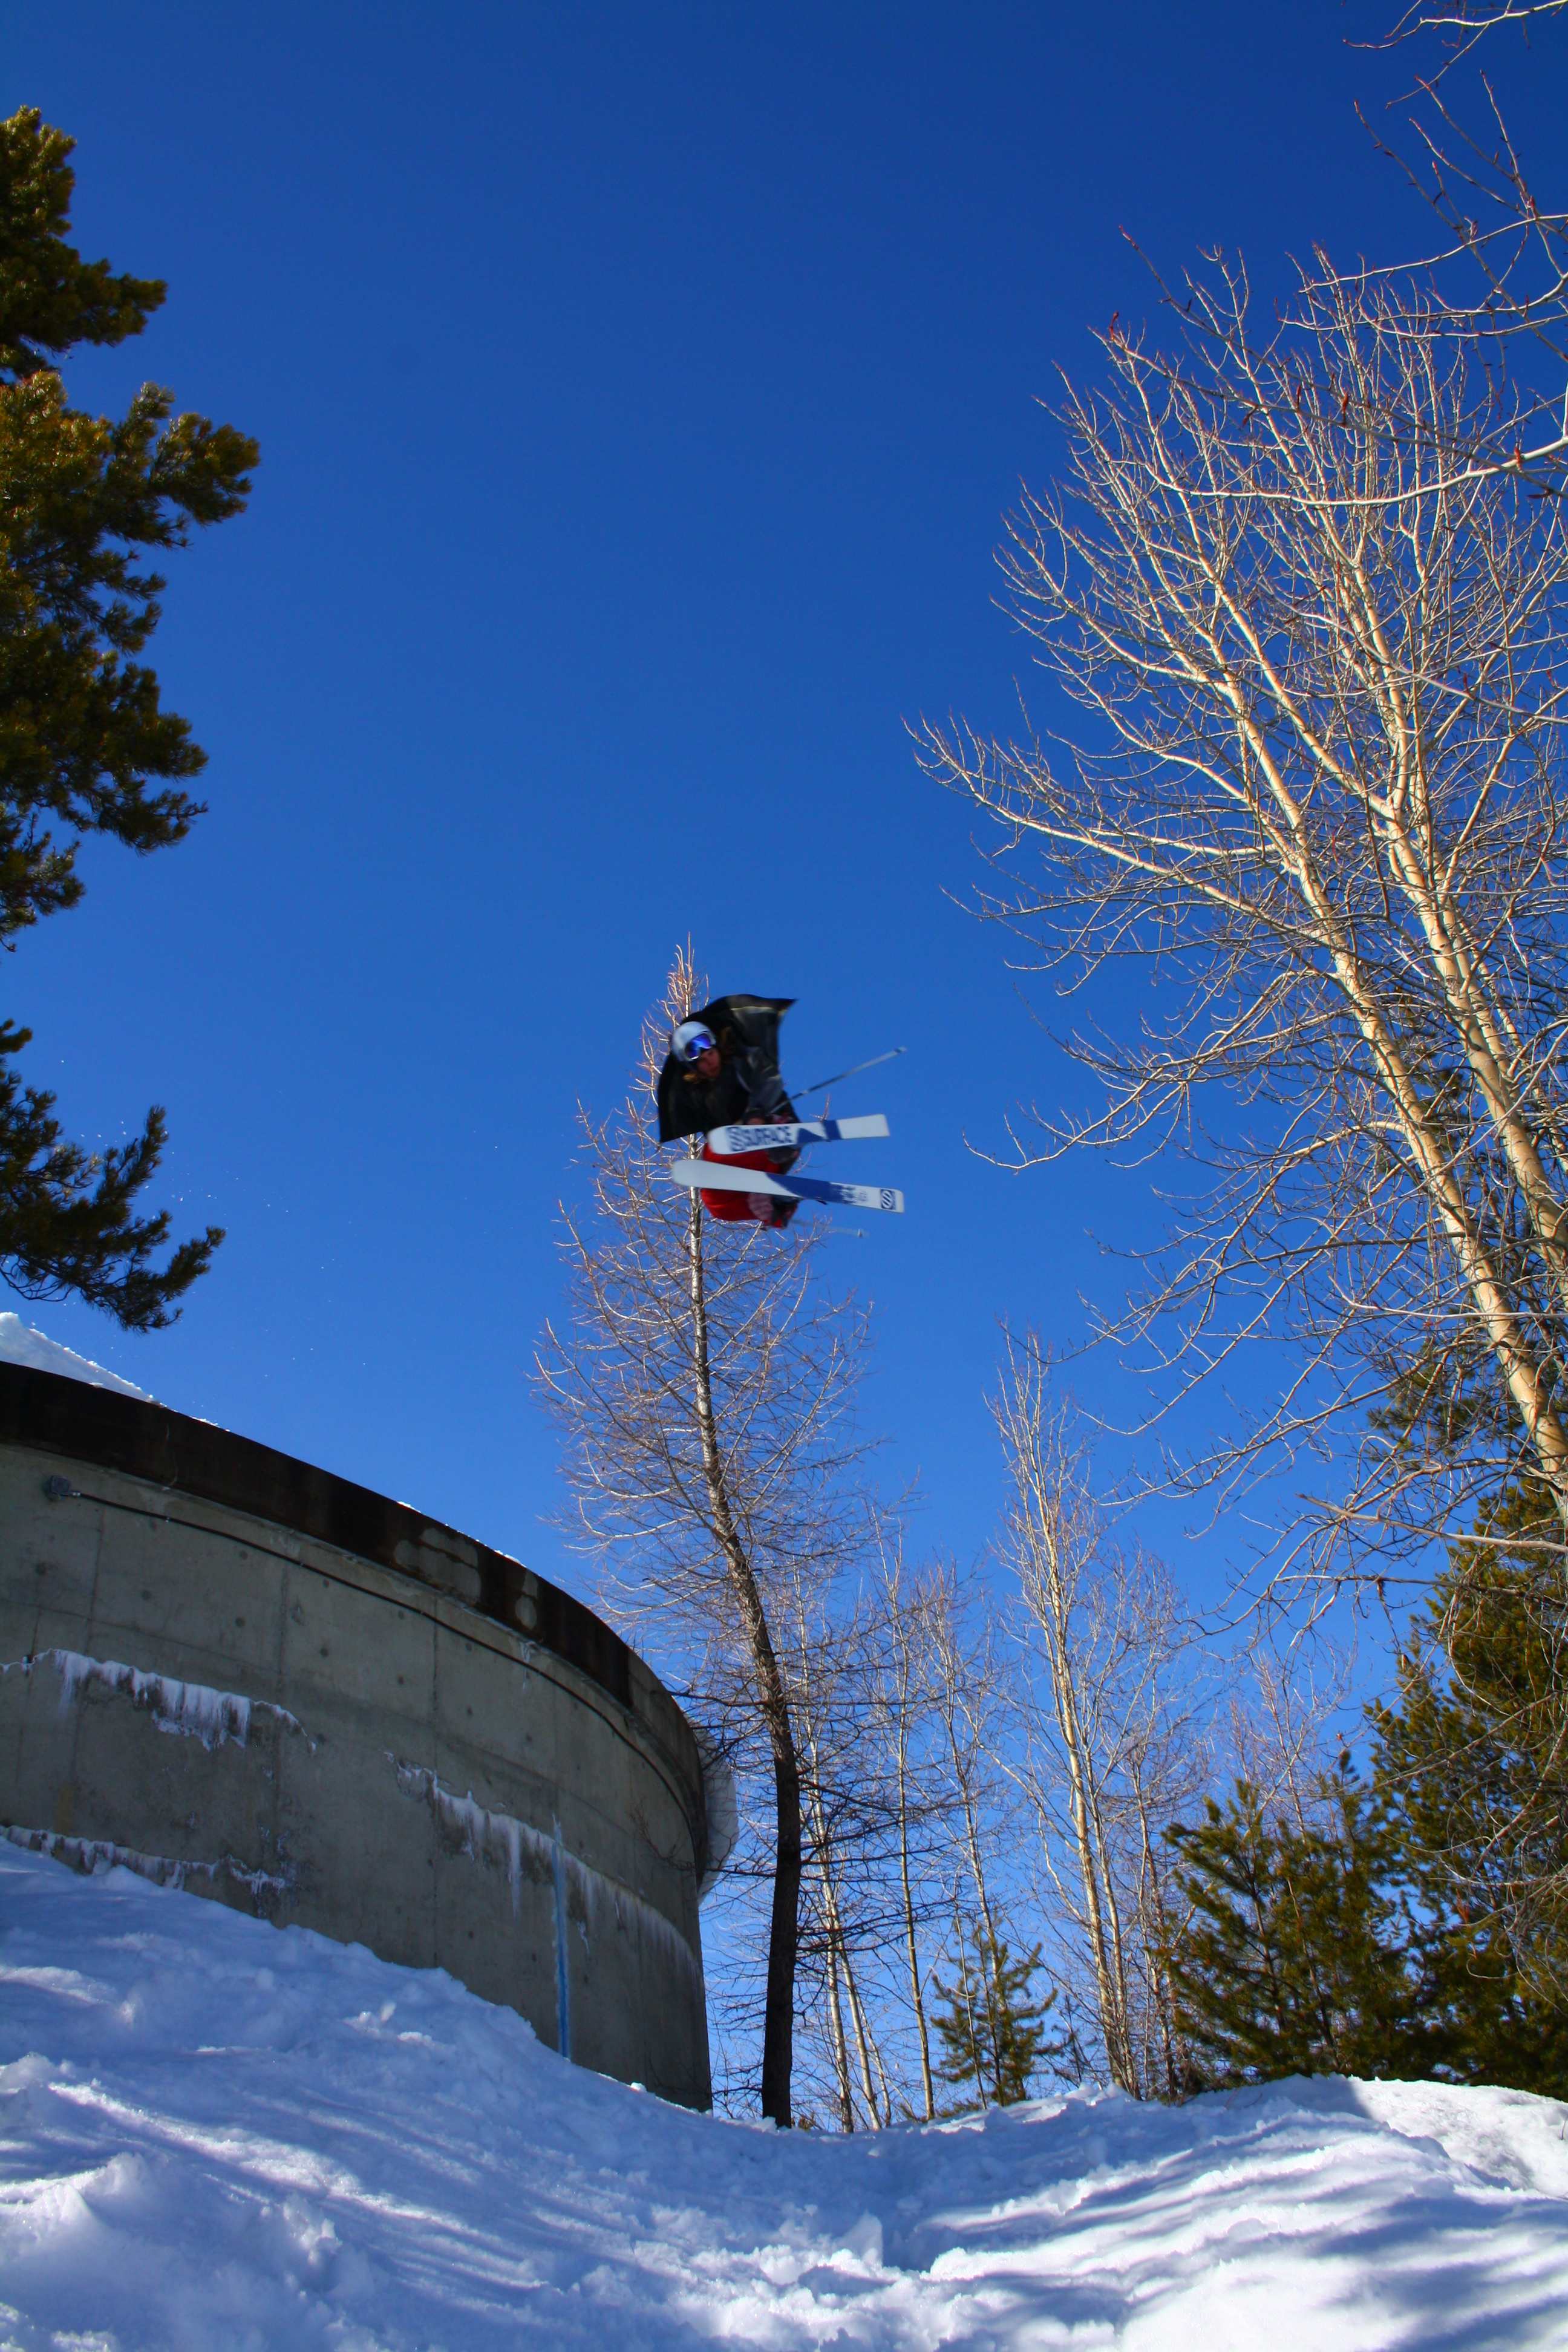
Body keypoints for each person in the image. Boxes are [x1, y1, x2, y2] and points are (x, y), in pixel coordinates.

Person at [657, 993, 800, 1229]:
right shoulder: (701, 1097)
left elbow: (768, 1081)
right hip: (752, 1156)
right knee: (713, 1201)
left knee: (715, 1149)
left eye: (708, 1050)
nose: (708, 1059)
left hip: (775, 1129)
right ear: (692, 1068)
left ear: (715, 1043)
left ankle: (774, 1158)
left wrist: (756, 1114)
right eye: (699, 1059)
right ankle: (772, 1204)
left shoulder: (742, 1059)